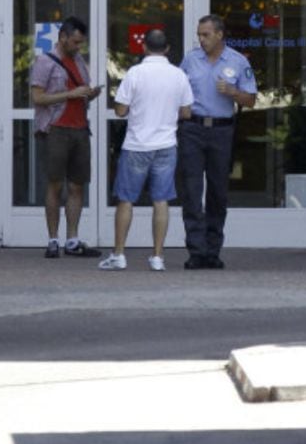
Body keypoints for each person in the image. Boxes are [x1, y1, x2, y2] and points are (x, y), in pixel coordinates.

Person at [99, 29, 193, 271]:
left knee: (126, 199)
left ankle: (119, 254)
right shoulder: (178, 75)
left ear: (144, 48)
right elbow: (186, 112)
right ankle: (158, 257)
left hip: (137, 145)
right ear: (168, 49)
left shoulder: (135, 73)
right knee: (161, 200)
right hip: (166, 145)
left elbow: (120, 110)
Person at [178, 14, 258, 270]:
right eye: (199, 34)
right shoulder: (190, 59)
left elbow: (252, 100)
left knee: (217, 192)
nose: (201, 39)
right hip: (193, 128)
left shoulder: (237, 60)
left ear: (220, 34)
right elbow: (177, 90)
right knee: (191, 191)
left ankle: (213, 251)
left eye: (206, 34)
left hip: (222, 130)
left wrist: (234, 93)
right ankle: (196, 251)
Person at [30, 16, 103, 258]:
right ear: (62, 38)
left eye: (81, 43)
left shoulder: (79, 61)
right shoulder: (45, 61)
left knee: (77, 185)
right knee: (54, 184)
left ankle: (72, 240)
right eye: (75, 42)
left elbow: (80, 94)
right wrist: (71, 94)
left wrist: (90, 94)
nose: (78, 47)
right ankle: (53, 240)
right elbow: (37, 98)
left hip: (80, 128)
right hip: (57, 129)